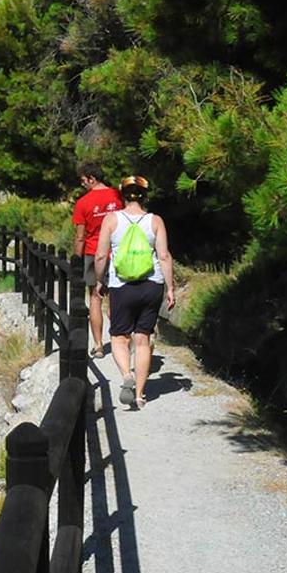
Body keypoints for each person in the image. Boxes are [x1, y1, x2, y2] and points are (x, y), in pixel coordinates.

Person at [93, 176, 175, 409]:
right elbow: (164, 256)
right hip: (152, 285)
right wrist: (170, 288)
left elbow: (100, 256)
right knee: (142, 339)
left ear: (122, 195)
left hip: (122, 286)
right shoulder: (155, 221)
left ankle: (126, 375)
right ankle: (139, 395)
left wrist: (100, 280)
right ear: (144, 195)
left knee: (119, 337)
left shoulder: (111, 219)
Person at [71, 163, 122, 358]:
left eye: (84, 180)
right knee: (116, 297)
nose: (82, 184)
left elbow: (80, 237)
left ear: (92, 178)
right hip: (117, 252)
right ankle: (121, 341)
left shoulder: (83, 203)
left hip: (93, 253)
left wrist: (77, 260)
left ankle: (99, 345)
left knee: (95, 298)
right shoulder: (118, 196)